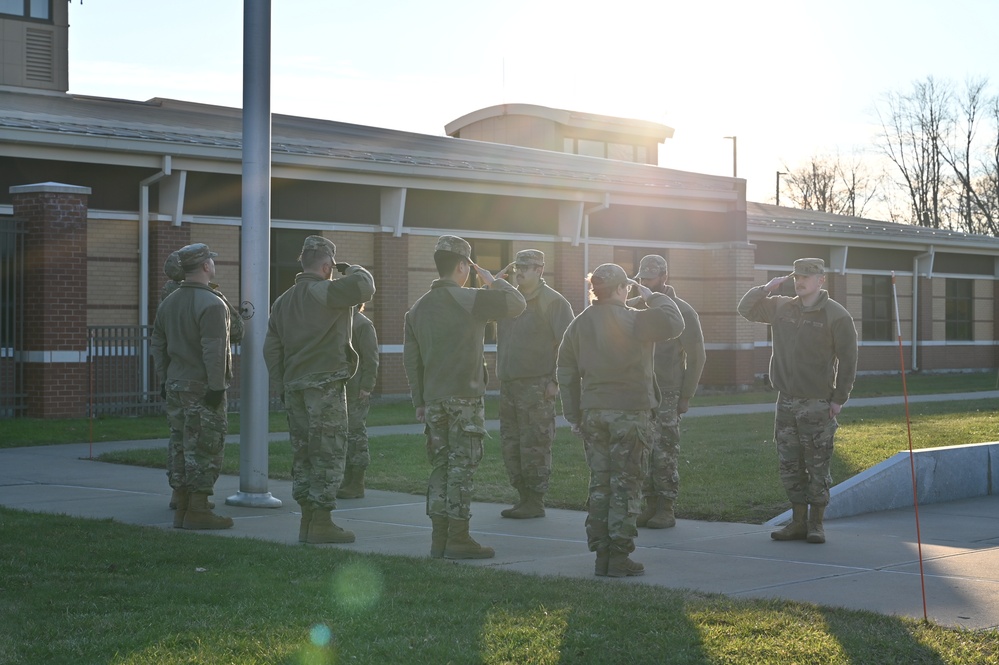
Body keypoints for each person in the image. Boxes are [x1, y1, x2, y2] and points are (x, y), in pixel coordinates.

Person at [557, 263, 685, 577]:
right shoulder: (636, 320)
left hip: (594, 412)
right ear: (620, 289)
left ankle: (601, 554)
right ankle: (619, 557)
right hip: (631, 414)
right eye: (626, 286)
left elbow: (566, 372)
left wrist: (573, 414)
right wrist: (654, 296)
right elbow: (675, 322)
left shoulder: (579, 324)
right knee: (626, 487)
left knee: (600, 485)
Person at [404, 235, 526, 559]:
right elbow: (518, 305)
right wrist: (492, 281)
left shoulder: (416, 309)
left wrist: (419, 401)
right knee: (462, 468)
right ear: (463, 266)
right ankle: (458, 538)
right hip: (464, 401)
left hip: (433, 401)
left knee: (441, 467)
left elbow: (411, 361)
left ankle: (439, 539)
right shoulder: (471, 298)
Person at [263, 236, 375, 545]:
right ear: (327, 267)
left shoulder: (282, 301)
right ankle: (322, 522)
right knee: (328, 452)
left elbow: (271, 349)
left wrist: (283, 381)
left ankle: (308, 521)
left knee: (304, 454)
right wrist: (350, 268)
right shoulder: (326, 291)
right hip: (324, 385)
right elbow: (365, 286)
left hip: (295, 385)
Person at [737, 258, 858, 544]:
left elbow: (849, 360)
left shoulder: (836, 315)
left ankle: (816, 524)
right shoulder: (781, 306)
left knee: (817, 464)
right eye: (796, 276)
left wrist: (839, 398)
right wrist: (766, 288)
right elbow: (745, 309)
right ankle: (797, 522)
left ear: (821, 280)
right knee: (789, 464)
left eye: (806, 277)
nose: (799, 281)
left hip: (817, 402)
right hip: (786, 401)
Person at [150, 243, 234, 530]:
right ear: (205, 266)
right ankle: (198, 509)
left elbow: (157, 346)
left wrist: (164, 379)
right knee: (205, 446)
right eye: (212, 260)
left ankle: (182, 505)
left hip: (175, 383)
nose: (213, 264)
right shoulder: (212, 303)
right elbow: (214, 349)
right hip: (201, 386)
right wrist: (216, 387)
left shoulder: (169, 302)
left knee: (179, 444)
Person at [494, 249, 574, 519]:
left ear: (540, 270)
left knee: (535, 444)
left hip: (537, 385)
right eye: (518, 266)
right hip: (509, 384)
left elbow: (568, 345)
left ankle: (535, 500)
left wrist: (555, 381)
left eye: (526, 267)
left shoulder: (553, 301)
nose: (520, 271)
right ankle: (522, 496)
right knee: (511, 444)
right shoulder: (508, 300)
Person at [628, 255, 706, 529]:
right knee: (642, 450)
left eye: (649, 278)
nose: (644, 283)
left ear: (664, 277)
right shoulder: (635, 308)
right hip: (639, 391)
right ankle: (649, 505)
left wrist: (686, 396)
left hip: (668, 392)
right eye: (641, 278)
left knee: (664, 451)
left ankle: (666, 508)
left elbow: (697, 356)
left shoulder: (682, 311)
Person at [337, 303, 379, 499]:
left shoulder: (362, 324)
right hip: (340, 387)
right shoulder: (340, 321)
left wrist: (367, 385)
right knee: (344, 434)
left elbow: (371, 358)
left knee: (356, 434)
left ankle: (357, 482)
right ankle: (347, 479)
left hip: (356, 389)